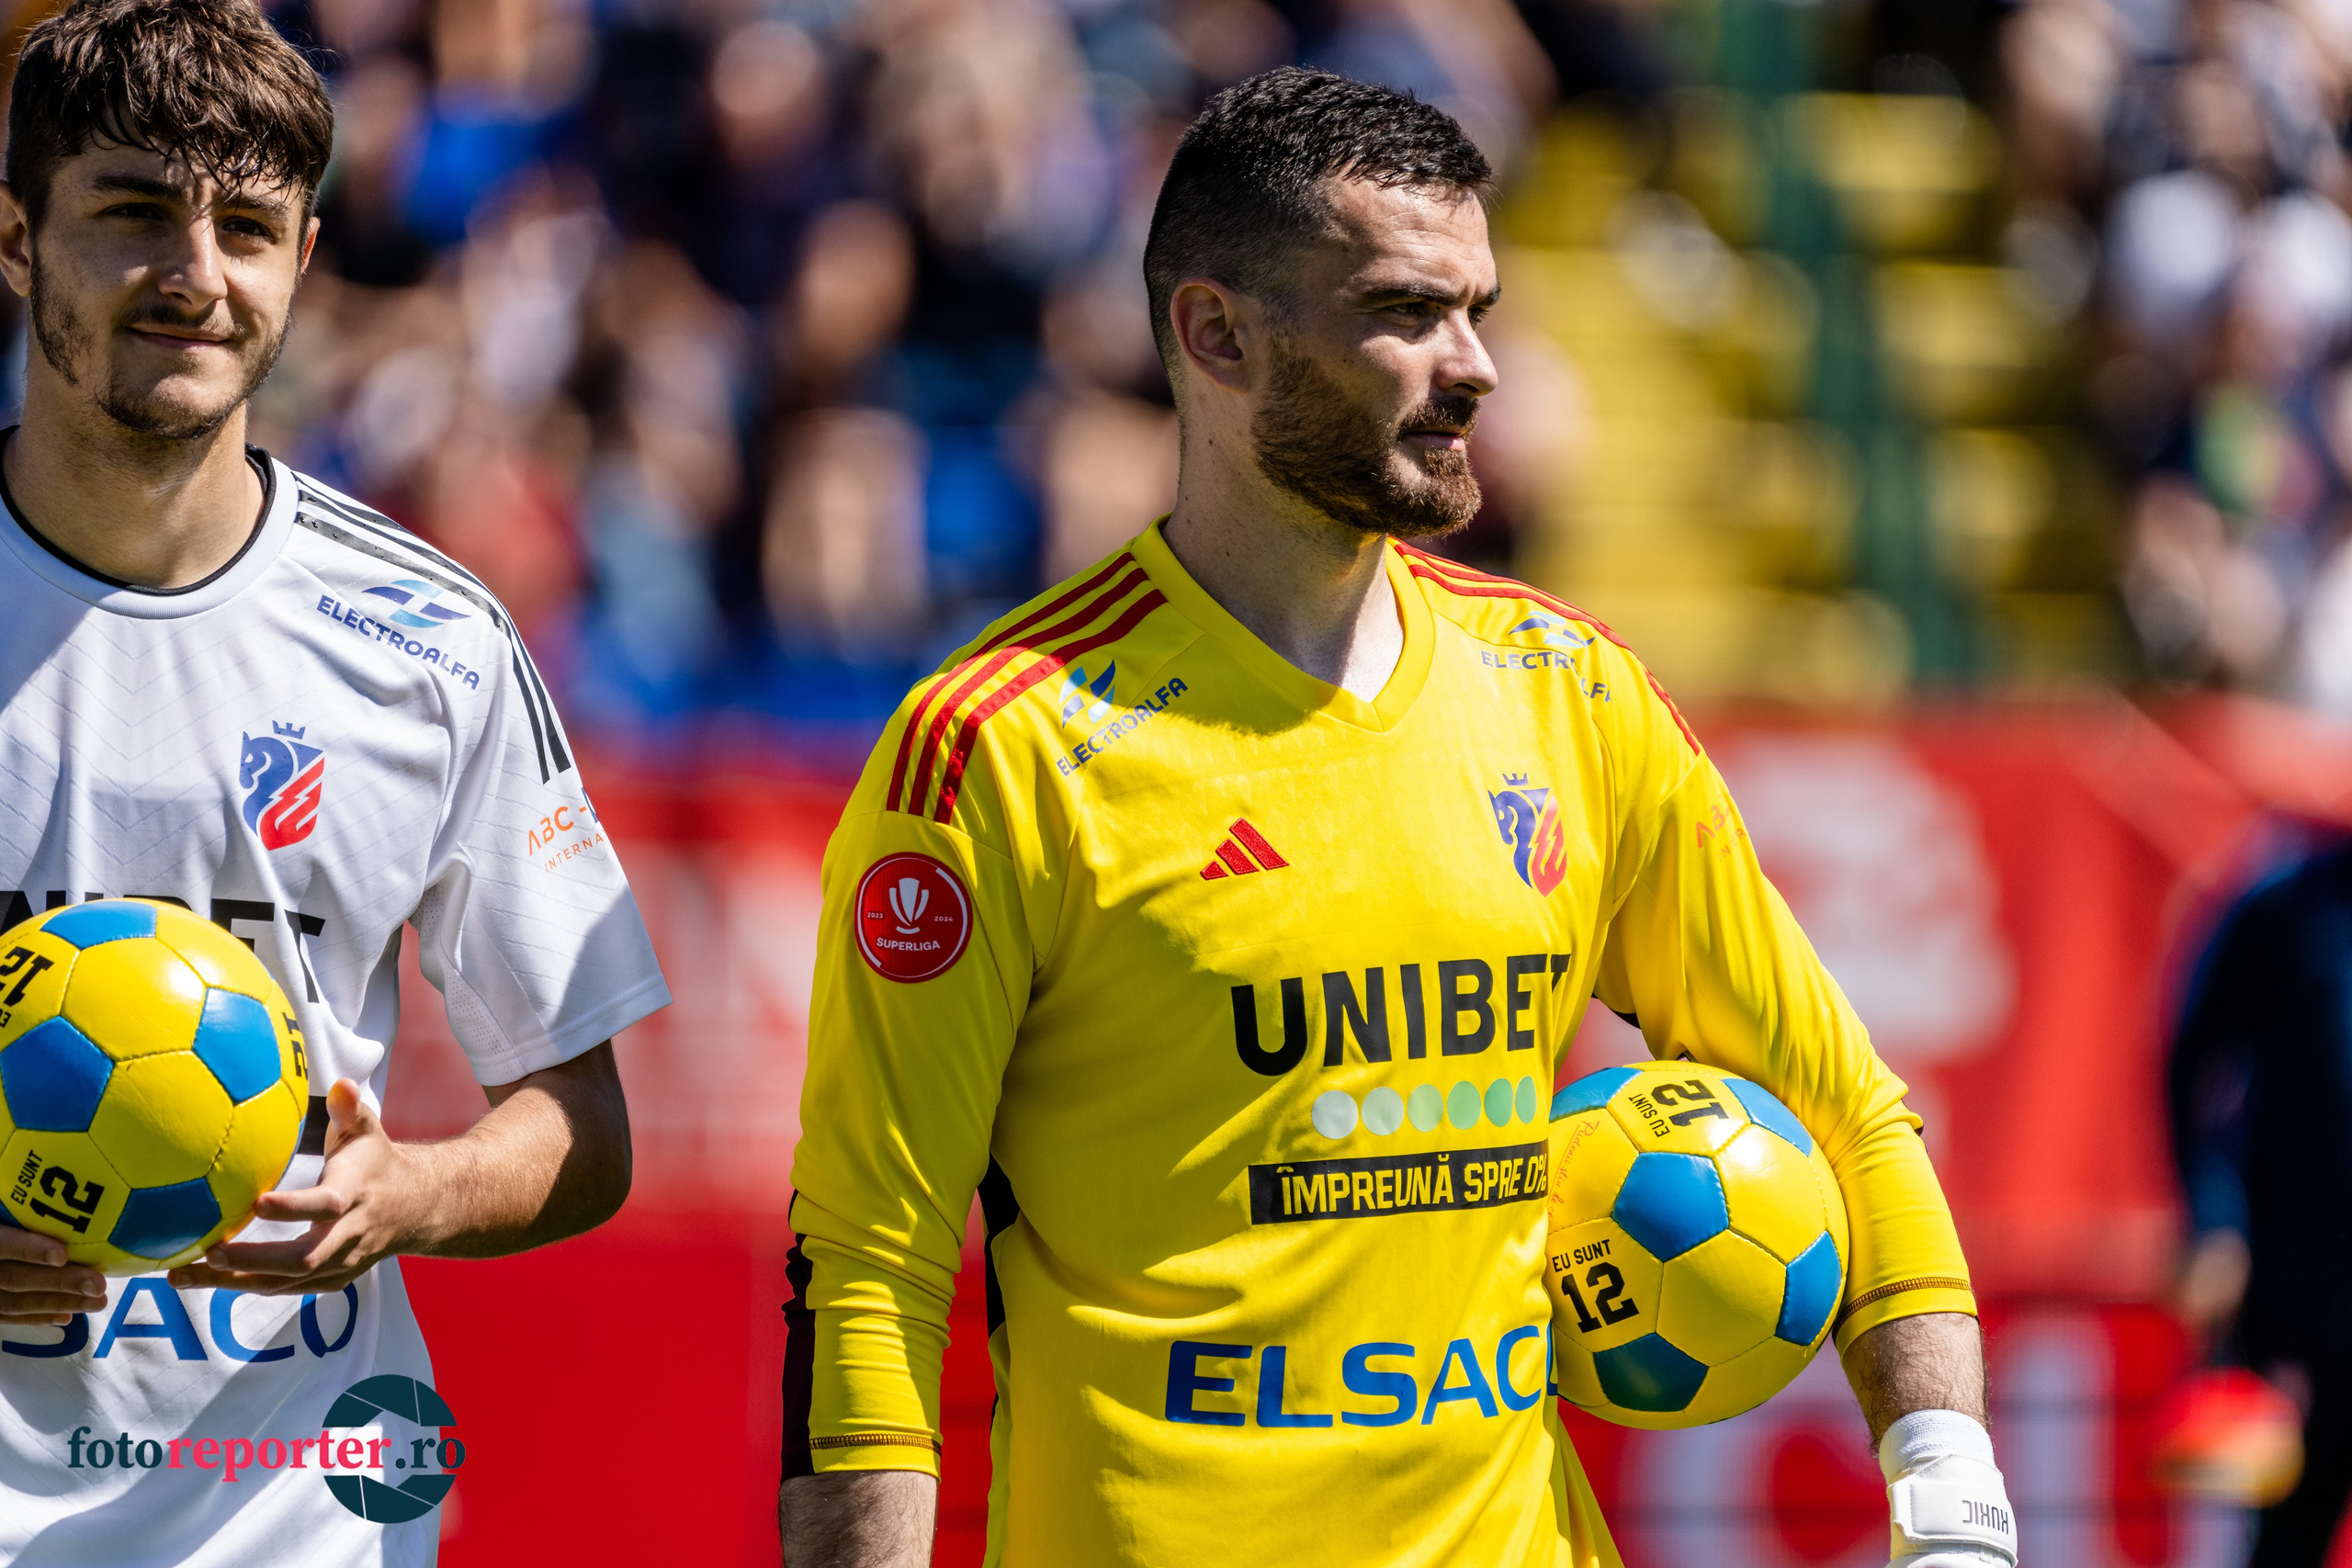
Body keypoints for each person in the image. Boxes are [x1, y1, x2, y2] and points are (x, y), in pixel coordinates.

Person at [779, 68, 2013, 1568]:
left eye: (1477, 308)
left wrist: (1954, 1506)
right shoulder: (998, 749)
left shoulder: (1576, 691)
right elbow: (870, 1266)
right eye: (1409, 312)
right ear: (1217, 335)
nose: (1477, 366)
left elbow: (1844, 1109)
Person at [0, 3, 667, 1564]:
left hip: (290, 1517)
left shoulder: (432, 639)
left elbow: (578, 1117)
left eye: (246, 228)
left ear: (304, 261)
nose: (195, 274)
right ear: (18, 241)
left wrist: (407, 1192)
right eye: (133, 212)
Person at [2169, 839, 2352, 1567]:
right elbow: (2192, 1061)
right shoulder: (2285, 905)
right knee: (2289, 1531)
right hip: (2302, 1295)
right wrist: (2215, 1218)